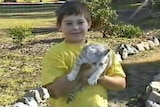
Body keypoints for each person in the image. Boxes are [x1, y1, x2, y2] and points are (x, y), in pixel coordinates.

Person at [42, 1, 126, 107]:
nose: (75, 27)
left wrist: (97, 76)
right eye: (68, 23)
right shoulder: (56, 54)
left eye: (80, 22)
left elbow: (121, 84)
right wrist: (80, 72)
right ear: (59, 26)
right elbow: (54, 92)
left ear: (89, 24)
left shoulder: (104, 51)